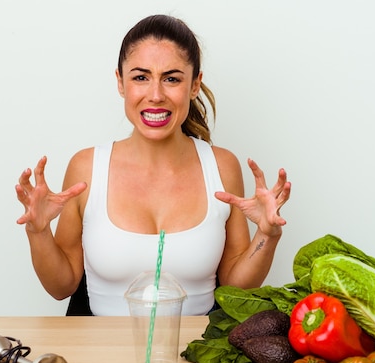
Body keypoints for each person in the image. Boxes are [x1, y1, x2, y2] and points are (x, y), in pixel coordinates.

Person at [15, 14, 291, 316]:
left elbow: (236, 288)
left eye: (172, 79)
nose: (156, 95)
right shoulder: (86, 168)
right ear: (120, 83)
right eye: (140, 77)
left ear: (194, 85)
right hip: (100, 354)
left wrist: (267, 235)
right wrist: (38, 232)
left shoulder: (222, 167)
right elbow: (61, 286)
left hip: (194, 357)